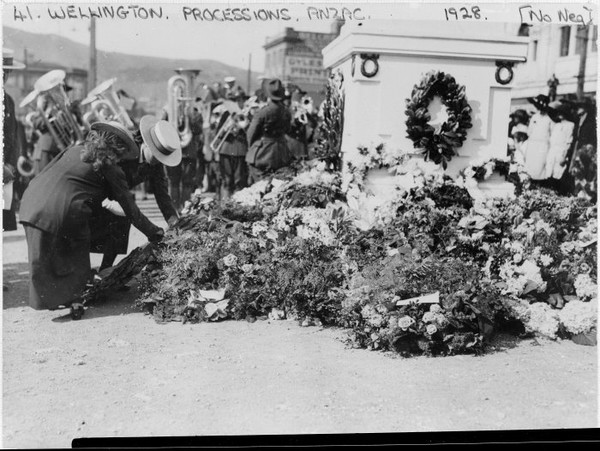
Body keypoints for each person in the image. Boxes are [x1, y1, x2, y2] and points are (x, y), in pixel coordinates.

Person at [18, 122, 169, 311]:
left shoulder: (73, 149)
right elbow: (131, 209)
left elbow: (48, 173)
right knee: (77, 255)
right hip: (62, 212)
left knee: (46, 257)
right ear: (118, 147)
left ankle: (94, 278)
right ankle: (76, 297)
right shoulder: (110, 166)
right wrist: (155, 233)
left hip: (30, 206)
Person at [90, 117, 181, 271]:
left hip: (118, 196)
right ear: (147, 144)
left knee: (122, 223)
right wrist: (152, 230)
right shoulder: (124, 147)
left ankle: (105, 270)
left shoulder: (156, 163)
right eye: (156, 155)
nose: (156, 162)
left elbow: (162, 195)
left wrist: (174, 223)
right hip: (97, 192)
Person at [245, 78, 293, 184]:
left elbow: (251, 134)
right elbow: (288, 129)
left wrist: (251, 149)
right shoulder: (286, 111)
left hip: (262, 153)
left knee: (259, 187)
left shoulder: (263, 112)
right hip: (282, 152)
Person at [161, 105, 203, 210]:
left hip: (189, 152)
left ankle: (185, 209)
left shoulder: (194, 113)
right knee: (173, 181)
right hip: (173, 150)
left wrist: (189, 117)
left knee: (188, 182)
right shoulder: (167, 110)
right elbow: (161, 127)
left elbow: (198, 130)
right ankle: (174, 209)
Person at [2, 48, 26, 234]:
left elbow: (12, 135)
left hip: (5, 170)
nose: (5, 75)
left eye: (7, 71)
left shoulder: (8, 100)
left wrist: (10, 164)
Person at [218, 111, 249, 200]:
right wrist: (226, 128)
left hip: (241, 150)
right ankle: (224, 208)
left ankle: (236, 209)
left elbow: (251, 132)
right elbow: (218, 133)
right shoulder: (227, 113)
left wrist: (243, 127)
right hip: (226, 150)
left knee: (239, 182)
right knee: (226, 181)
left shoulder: (247, 114)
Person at [523, 95, 553, 184]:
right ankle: (529, 184)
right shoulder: (534, 117)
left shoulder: (549, 119)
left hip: (543, 145)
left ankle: (540, 185)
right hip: (533, 144)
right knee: (530, 165)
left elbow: (551, 134)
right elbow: (529, 131)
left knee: (540, 166)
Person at [546, 103, 574, 193]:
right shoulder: (557, 125)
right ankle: (550, 192)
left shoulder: (570, 125)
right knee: (549, 172)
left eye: (562, 113)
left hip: (561, 152)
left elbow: (568, 142)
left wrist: (564, 156)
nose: (560, 115)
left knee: (558, 173)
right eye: (559, 113)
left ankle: (558, 193)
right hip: (552, 151)